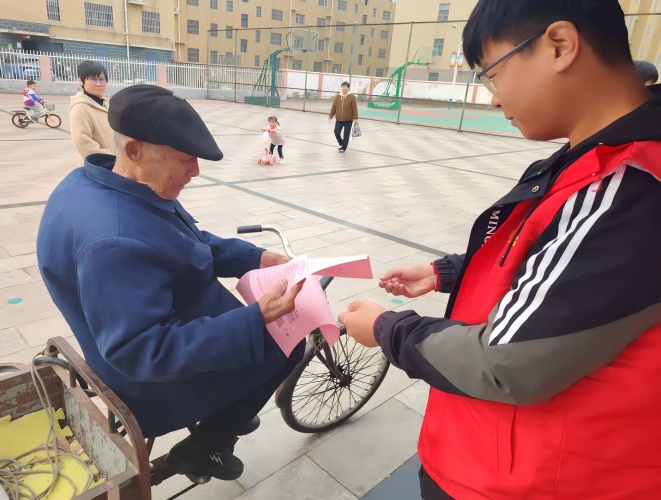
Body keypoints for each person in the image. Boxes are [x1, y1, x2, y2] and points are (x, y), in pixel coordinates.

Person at [339, 1, 661, 498]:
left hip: (534, 479)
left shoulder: (627, 184)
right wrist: (447, 272)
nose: (493, 99)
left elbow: (506, 364)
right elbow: (549, 260)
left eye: (493, 73)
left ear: (559, 46)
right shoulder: (594, 158)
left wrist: (387, 329)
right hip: (493, 453)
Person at [37, 85, 306, 482]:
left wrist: (254, 257)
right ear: (135, 150)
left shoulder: (100, 182)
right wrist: (255, 318)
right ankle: (207, 445)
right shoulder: (114, 241)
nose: (194, 170)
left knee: (268, 334)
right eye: (184, 159)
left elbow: (181, 242)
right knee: (289, 345)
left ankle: (228, 409)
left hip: (147, 324)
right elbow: (144, 351)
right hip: (149, 385)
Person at [69, 60, 113, 158]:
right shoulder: (80, 108)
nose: (98, 84)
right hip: (101, 164)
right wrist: (112, 158)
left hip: (115, 162)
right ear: (81, 81)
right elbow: (83, 143)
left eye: (102, 79)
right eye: (93, 79)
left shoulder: (105, 104)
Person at [329, 81, 359, 153]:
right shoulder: (338, 96)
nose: (343, 88)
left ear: (348, 88)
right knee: (336, 132)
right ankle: (342, 143)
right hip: (339, 119)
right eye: (342, 87)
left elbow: (354, 108)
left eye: (345, 87)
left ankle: (343, 148)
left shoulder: (352, 97)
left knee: (346, 134)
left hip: (348, 119)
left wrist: (356, 118)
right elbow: (334, 107)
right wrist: (331, 116)